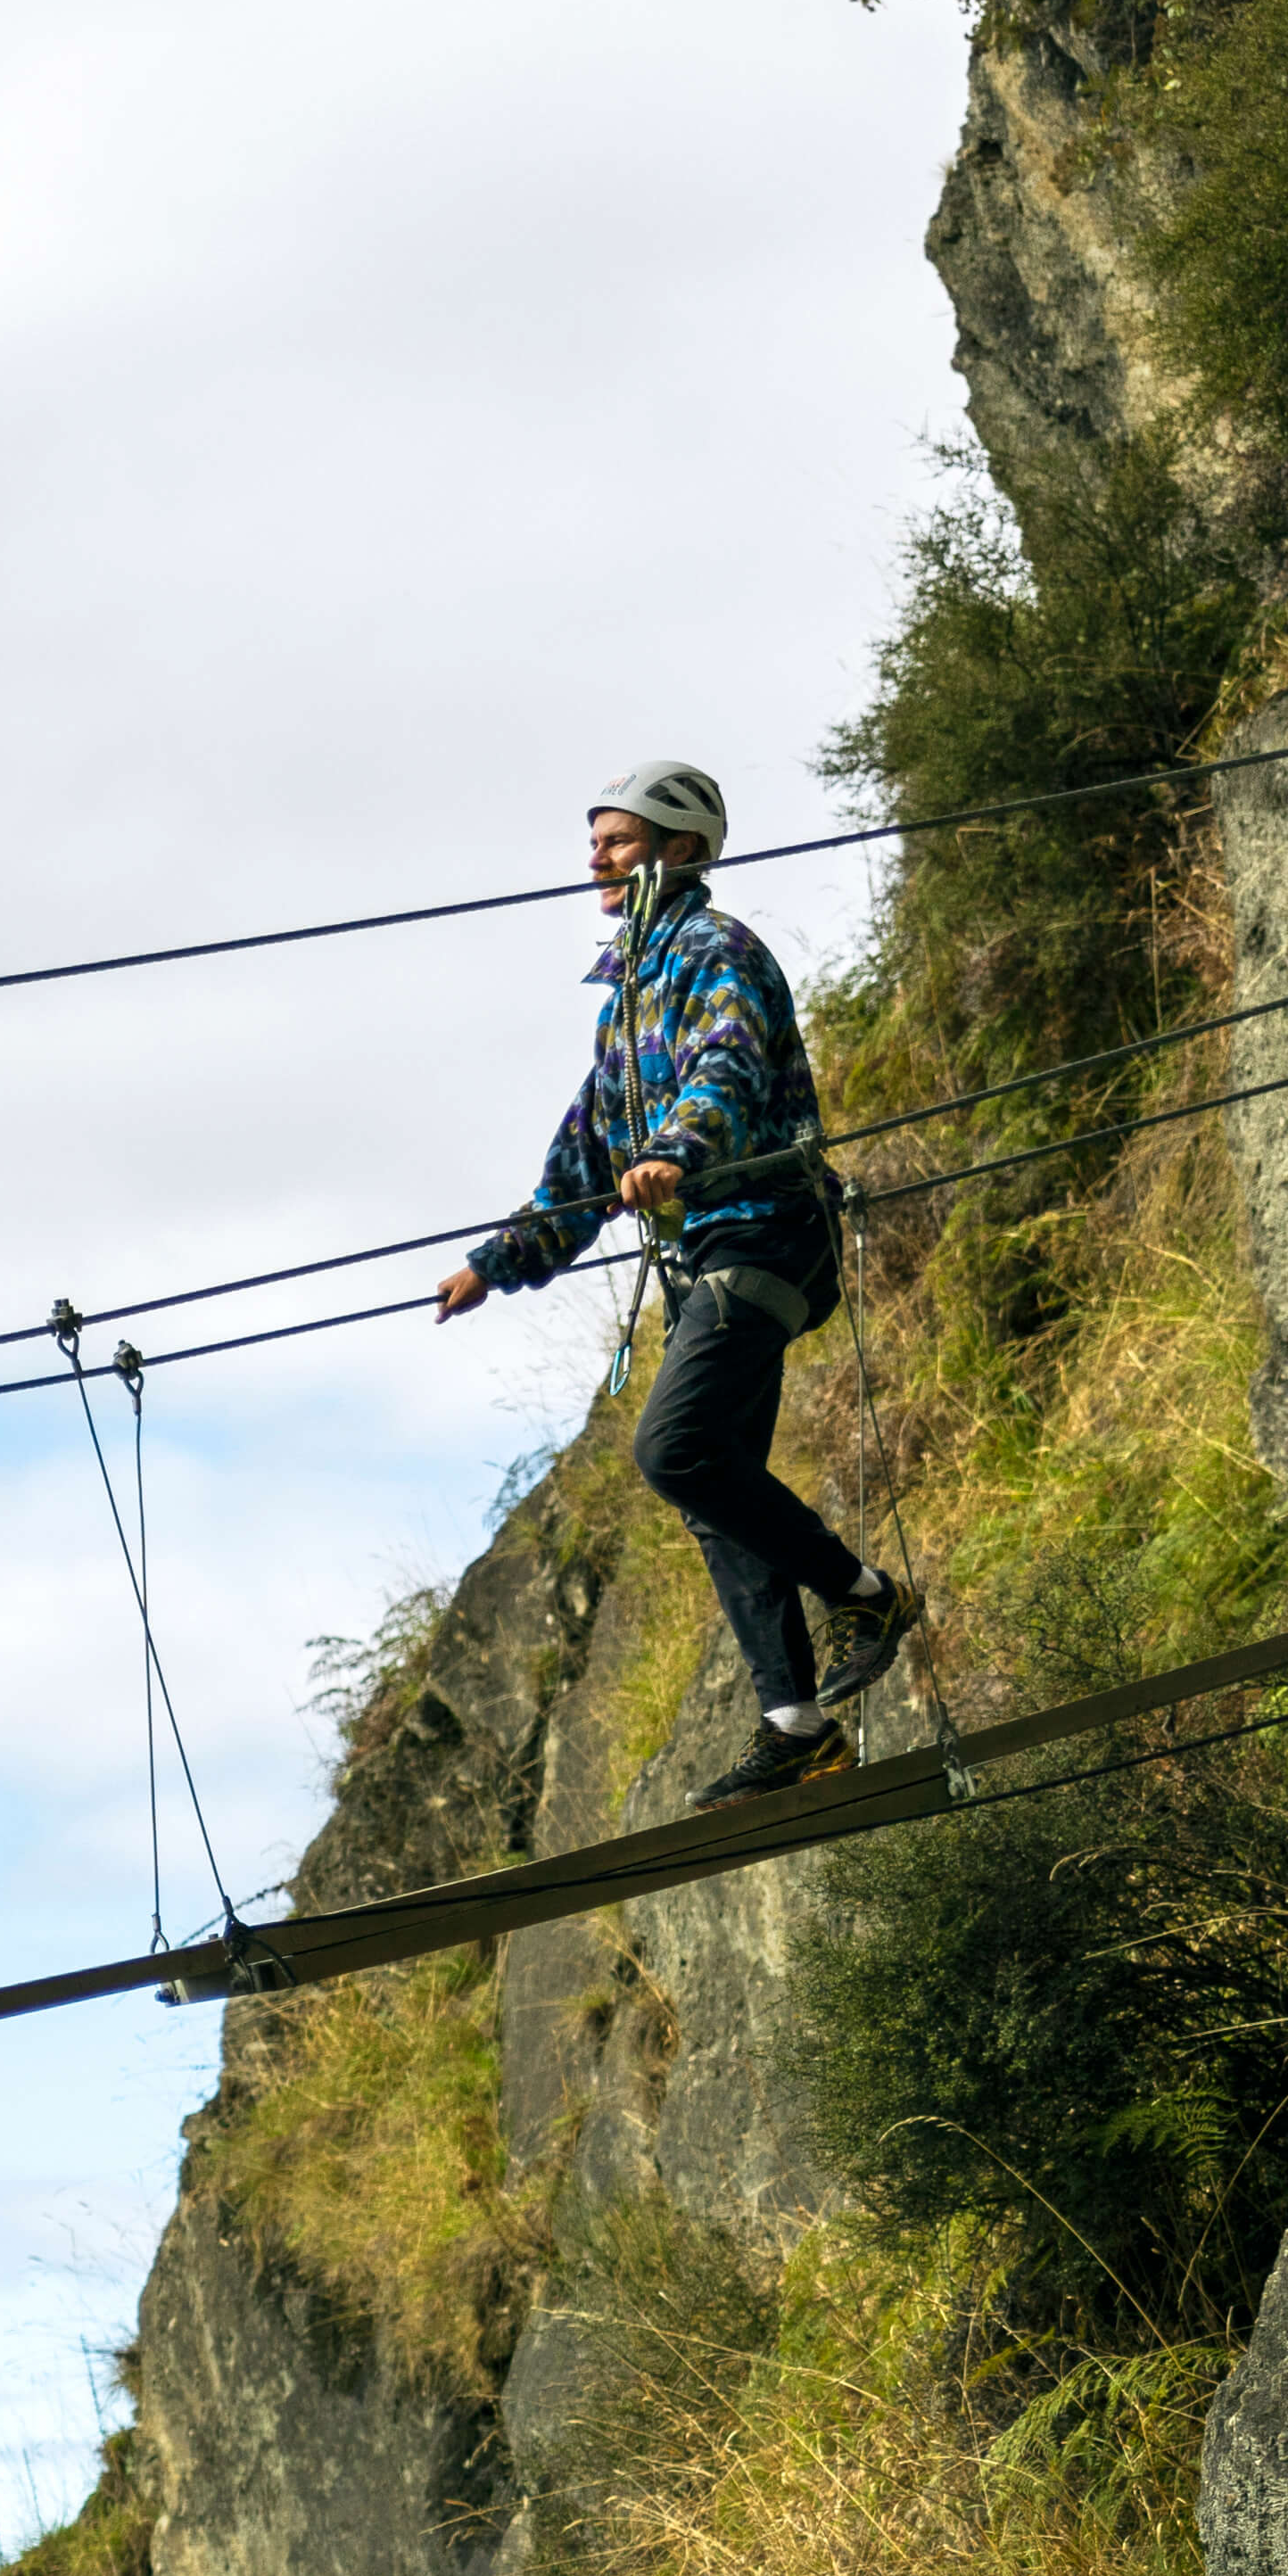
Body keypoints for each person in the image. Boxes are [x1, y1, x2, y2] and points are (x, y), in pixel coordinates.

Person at [437, 760, 918, 1804]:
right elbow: (577, 1161)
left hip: (766, 1232)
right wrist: (494, 1261)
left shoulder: (715, 953)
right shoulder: (621, 1008)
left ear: (679, 850)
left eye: (613, 841)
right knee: (713, 1492)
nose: (592, 859)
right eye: (596, 842)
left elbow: (725, 1068)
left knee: (675, 1448)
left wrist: (678, 1151)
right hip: (705, 1260)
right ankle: (796, 1725)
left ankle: (863, 1594)